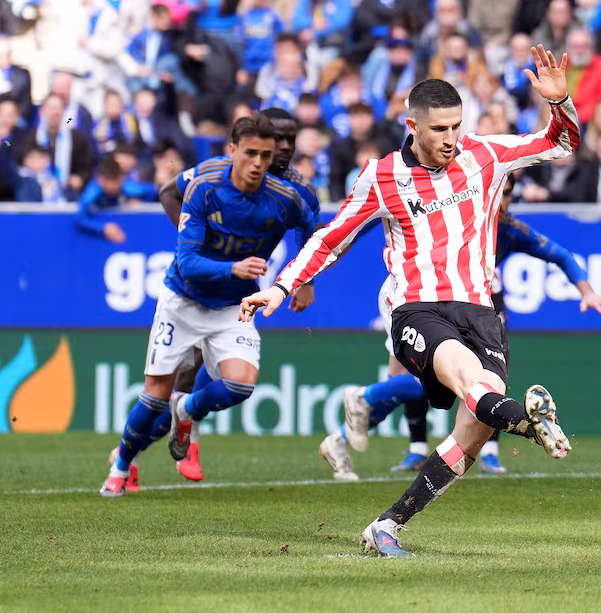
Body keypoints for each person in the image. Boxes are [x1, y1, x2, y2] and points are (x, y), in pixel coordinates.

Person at [240, 45, 579, 558]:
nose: (451, 138)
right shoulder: (382, 176)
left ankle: (388, 524)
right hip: (420, 309)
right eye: (440, 129)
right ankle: (532, 426)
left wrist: (559, 102)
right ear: (413, 126)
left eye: (457, 126)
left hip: (481, 312)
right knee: (468, 382)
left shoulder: (486, 155)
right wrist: (282, 286)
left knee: (472, 433)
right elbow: (331, 238)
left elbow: (561, 142)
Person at [321, 176, 601, 480]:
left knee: (435, 383)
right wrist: (336, 245)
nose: (499, 199)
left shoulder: (508, 229)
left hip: (457, 304)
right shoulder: (455, 211)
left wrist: (587, 291)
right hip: (411, 296)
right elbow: (381, 213)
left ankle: (341, 438)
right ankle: (366, 400)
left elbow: (560, 254)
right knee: (423, 382)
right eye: (495, 191)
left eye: (506, 193)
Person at [100, 114, 321, 497]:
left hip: (233, 304)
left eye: (267, 153)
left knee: (238, 385)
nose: (260, 161)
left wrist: (305, 279)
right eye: (252, 152)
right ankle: (122, 464)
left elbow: (314, 229)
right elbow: (185, 259)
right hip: (183, 299)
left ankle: (185, 411)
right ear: (233, 150)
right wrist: (225, 261)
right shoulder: (204, 183)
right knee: (155, 397)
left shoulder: (291, 195)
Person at [75, 155, 158, 243]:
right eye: (107, 179)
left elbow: (152, 192)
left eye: (115, 179)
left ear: (122, 178)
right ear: (99, 179)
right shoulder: (92, 192)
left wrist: (142, 201)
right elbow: (79, 217)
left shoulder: (129, 188)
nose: (111, 185)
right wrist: (103, 228)